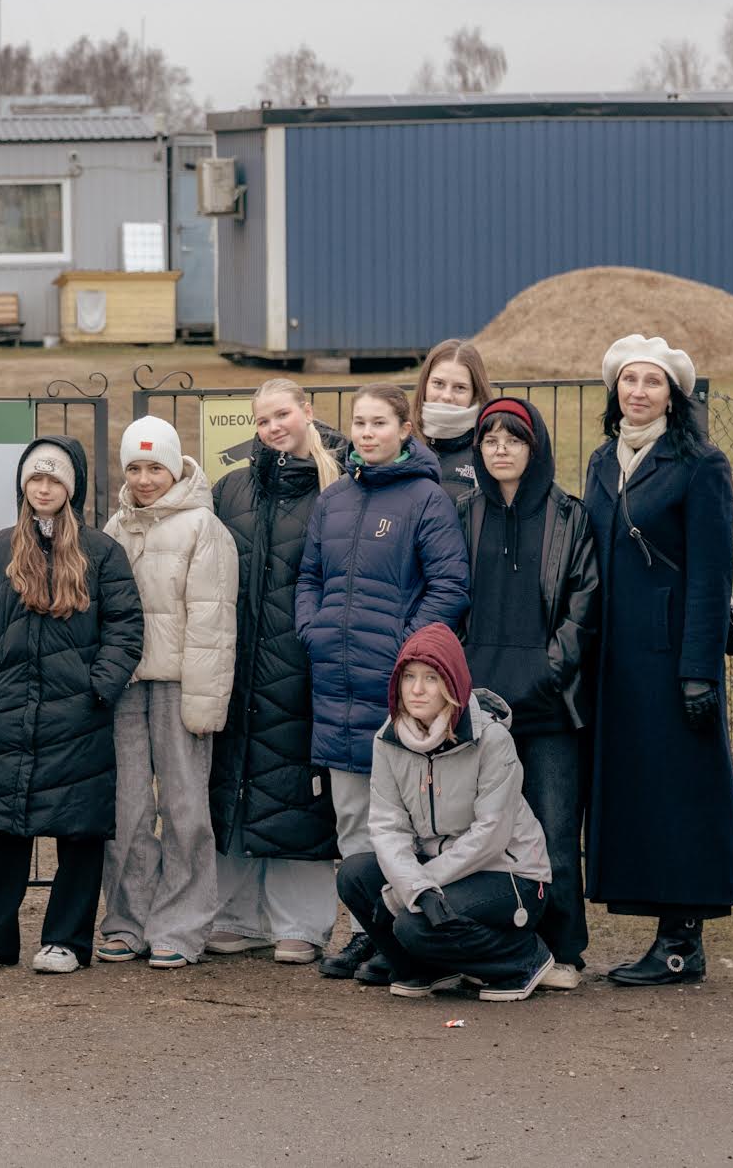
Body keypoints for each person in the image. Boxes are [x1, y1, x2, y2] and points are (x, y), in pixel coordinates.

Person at [0, 437, 144, 975]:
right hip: (10, 709)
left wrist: (99, 689)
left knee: (79, 829)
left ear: (71, 488)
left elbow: (125, 628)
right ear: (23, 485)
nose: (43, 488)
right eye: (35, 478)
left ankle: (66, 942)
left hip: (79, 714)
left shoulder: (102, 552)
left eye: (54, 480)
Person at [583, 334, 733, 986]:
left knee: (682, 792)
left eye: (653, 382)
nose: (639, 392)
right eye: (630, 380)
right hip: (614, 659)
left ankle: (682, 941)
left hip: (674, 656)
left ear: (673, 396)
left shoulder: (701, 464)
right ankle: (657, 926)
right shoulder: (602, 461)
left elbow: (711, 575)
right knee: (637, 791)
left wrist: (699, 669)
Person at [296, 382, 470, 982]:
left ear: (404, 429)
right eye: (360, 423)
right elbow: (309, 576)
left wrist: (407, 654)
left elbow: (449, 586)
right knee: (351, 817)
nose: (367, 433)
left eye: (379, 423)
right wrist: (313, 630)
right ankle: (364, 933)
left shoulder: (427, 499)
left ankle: (404, 934)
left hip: (397, 691)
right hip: (335, 684)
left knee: (404, 821)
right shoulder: (334, 501)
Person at [455, 396, 599, 990]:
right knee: (483, 835)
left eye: (513, 439)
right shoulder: (465, 514)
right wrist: (462, 680)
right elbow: (451, 599)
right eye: (490, 440)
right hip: (479, 707)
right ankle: (502, 950)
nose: (501, 450)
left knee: (555, 832)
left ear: (534, 447)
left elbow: (582, 608)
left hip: (548, 705)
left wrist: (546, 674)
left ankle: (563, 951)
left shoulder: (569, 516)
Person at [335, 625, 556, 1002]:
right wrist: (414, 886)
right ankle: (425, 968)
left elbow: (491, 835)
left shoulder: (492, 739)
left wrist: (413, 888)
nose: (417, 689)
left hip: (507, 872)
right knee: (355, 876)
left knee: (413, 924)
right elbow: (387, 827)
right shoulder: (388, 739)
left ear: (452, 684)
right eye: (409, 677)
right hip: (436, 867)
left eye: (431, 678)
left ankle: (522, 959)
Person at [209, 379, 349, 966]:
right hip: (241, 659)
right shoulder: (231, 488)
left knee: (300, 790)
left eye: (283, 414)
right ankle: (235, 915)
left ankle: (302, 924)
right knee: (235, 782)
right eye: (263, 420)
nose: (273, 428)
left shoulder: (338, 485)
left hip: (303, 660)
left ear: (307, 412)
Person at [95, 416, 238, 968]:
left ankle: (181, 925)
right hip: (127, 686)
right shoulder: (116, 527)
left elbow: (213, 623)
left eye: (155, 467)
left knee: (184, 808)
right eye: (134, 468)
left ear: (176, 467)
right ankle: (126, 919)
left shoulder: (204, 527)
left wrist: (205, 701)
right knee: (126, 809)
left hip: (181, 687)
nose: (145, 479)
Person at [411, 339, 495, 493]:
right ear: (425, 384)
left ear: (475, 393)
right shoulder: (399, 442)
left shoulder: (490, 449)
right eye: (438, 383)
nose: (447, 396)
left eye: (460, 387)